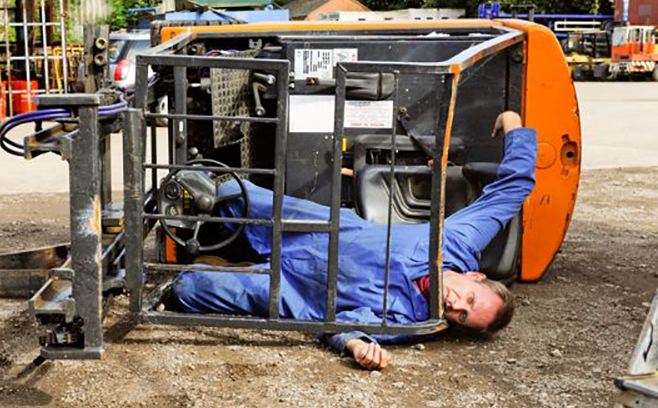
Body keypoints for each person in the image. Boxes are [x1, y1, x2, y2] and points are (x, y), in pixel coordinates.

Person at [168, 111, 536, 370]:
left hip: (295, 293)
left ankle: (229, 266)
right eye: (469, 298)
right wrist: (513, 122)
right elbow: (511, 189)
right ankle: (176, 214)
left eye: (462, 317)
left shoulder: (412, 320)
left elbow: (345, 325)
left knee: (186, 289)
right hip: (315, 231)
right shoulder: (457, 242)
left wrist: (357, 345)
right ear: (473, 276)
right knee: (220, 188)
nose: (456, 305)